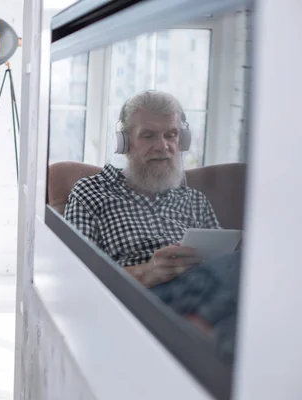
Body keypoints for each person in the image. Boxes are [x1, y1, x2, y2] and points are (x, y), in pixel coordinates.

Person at [64, 90, 240, 360]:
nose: (163, 146)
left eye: (171, 134)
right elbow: (78, 279)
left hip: (203, 294)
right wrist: (150, 271)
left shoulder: (194, 199)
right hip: (141, 303)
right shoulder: (91, 192)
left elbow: (223, 263)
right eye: (148, 136)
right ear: (125, 143)